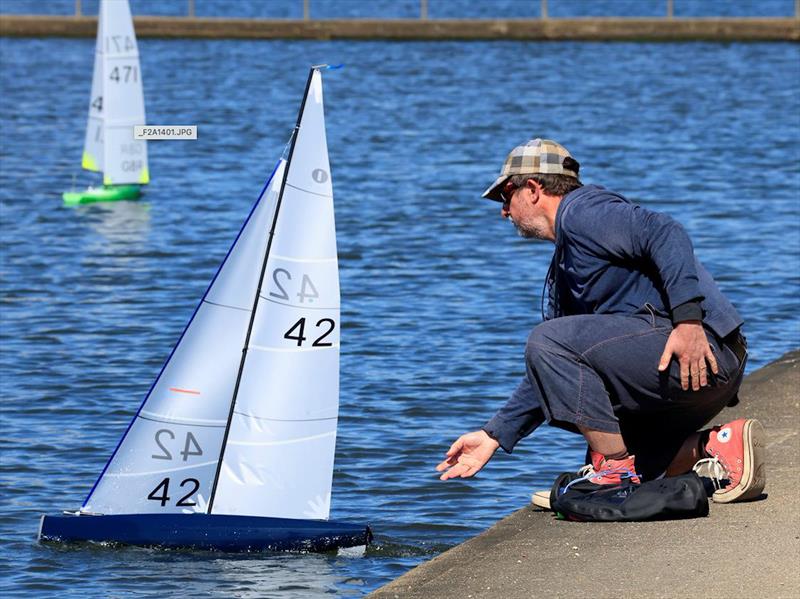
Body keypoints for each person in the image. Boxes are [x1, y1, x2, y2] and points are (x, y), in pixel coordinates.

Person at [436, 138, 765, 504]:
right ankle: (715, 446)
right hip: (691, 369)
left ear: (532, 189)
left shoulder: (583, 212)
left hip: (702, 353)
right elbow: (554, 368)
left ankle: (612, 470)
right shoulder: (570, 256)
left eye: (505, 196)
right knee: (566, 378)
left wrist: (688, 323)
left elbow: (665, 231)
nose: (503, 211)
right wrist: (494, 434)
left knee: (547, 340)